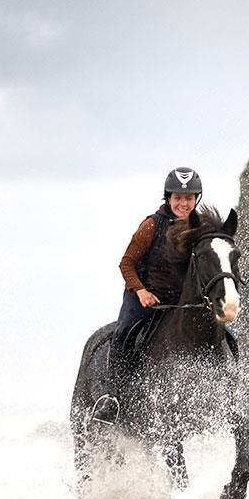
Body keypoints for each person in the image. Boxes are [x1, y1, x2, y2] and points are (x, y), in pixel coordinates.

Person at [89, 167, 202, 424]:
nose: (183, 203)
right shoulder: (151, 225)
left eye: (188, 198)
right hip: (143, 295)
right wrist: (141, 291)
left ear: (196, 199)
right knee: (124, 333)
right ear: (168, 198)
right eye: (178, 198)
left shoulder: (200, 228)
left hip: (178, 302)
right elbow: (126, 263)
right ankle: (113, 399)